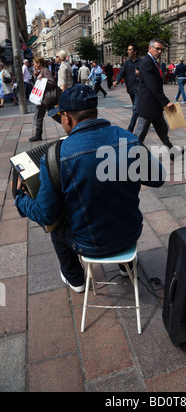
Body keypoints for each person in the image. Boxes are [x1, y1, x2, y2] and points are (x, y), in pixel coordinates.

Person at [12, 83, 165, 292]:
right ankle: (126, 264)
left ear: (67, 117)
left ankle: (75, 279)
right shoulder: (129, 139)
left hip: (88, 243)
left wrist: (19, 198)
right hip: (131, 233)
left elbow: (45, 214)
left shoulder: (56, 155)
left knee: (55, 227)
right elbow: (158, 178)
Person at [134, 39, 180, 160]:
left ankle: (172, 151)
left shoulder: (152, 61)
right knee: (140, 133)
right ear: (150, 48)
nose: (159, 51)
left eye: (161, 49)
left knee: (162, 130)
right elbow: (153, 86)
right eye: (157, 49)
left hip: (154, 106)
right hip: (148, 106)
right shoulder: (147, 62)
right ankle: (130, 156)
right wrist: (166, 102)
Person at [29, 56, 61, 141]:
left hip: (44, 98)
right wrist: (36, 76)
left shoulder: (45, 71)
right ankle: (67, 124)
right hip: (45, 98)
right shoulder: (42, 71)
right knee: (53, 114)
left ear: (39, 63)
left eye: (35, 63)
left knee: (38, 115)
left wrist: (42, 79)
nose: (34, 65)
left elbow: (52, 82)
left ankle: (38, 135)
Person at [113, 43, 141, 132]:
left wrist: (140, 74)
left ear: (135, 52)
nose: (127, 51)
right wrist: (117, 80)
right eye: (128, 50)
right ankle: (144, 119)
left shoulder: (141, 62)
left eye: (129, 50)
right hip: (130, 89)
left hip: (138, 89)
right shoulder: (127, 63)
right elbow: (122, 72)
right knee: (136, 108)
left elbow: (147, 75)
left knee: (135, 109)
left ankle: (130, 128)